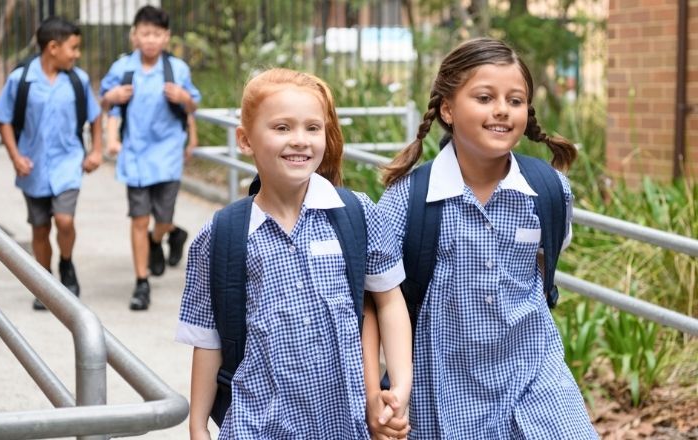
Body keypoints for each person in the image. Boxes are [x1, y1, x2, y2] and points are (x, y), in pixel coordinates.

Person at [367, 37, 598, 438]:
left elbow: (544, 266)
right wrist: (376, 392)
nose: (502, 111)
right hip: (442, 385)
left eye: (515, 100)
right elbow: (377, 299)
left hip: (535, 374)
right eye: (485, 97)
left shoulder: (548, 191)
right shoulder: (407, 199)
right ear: (448, 109)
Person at [176, 68, 412, 439]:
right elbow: (208, 339)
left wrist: (399, 386)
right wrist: (197, 425)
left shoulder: (356, 214)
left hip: (343, 423)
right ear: (245, 139)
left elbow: (387, 301)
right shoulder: (221, 235)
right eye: (282, 128)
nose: (299, 140)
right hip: (258, 422)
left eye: (312, 128)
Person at [0, 16, 102, 310]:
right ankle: (45, 283)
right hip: (34, 167)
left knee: (64, 220)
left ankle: (66, 263)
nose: (77, 54)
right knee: (40, 229)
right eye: (73, 48)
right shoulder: (21, 80)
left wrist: (96, 151)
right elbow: (3, 120)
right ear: (53, 47)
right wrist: (15, 157)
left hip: (68, 163)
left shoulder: (77, 80)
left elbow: (95, 117)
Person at [100, 5, 201, 311]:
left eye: (157, 34)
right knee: (139, 219)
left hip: (168, 154)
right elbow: (107, 104)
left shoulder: (177, 70)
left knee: (164, 218)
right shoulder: (123, 69)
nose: (151, 40)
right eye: (145, 33)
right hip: (135, 157)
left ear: (166, 37)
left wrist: (184, 100)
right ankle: (141, 282)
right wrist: (111, 104)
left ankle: (165, 236)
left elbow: (191, 106)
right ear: (134, 36)